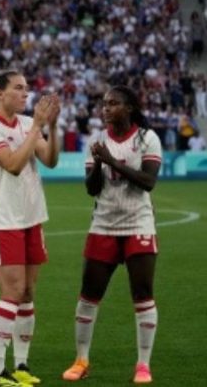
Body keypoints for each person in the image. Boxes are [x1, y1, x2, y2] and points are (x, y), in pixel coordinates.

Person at [62, 86, 162, 384]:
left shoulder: (147, 138)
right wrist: (100, 163)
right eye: (104, 104)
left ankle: (143, 365)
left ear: (129, 107)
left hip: (138, 223)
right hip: (103, 224)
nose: (105, 109)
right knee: (88, 296)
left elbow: (147, 182)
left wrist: (112, 161)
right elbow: (92, 188)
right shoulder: (97, 140)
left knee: (142, 294)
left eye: (113, 104)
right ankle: (81, 360)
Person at [0, 71, 60, 387]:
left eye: (27, 88)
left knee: (27, 293)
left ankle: (20, 365)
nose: (26, 94)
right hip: (4, 219)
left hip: (32, 217)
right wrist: (37, 126)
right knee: (11, 291)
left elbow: (49, 160)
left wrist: (52, 126)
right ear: (0, 92)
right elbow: (12, 165)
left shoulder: (25, 123)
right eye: (18, 88)